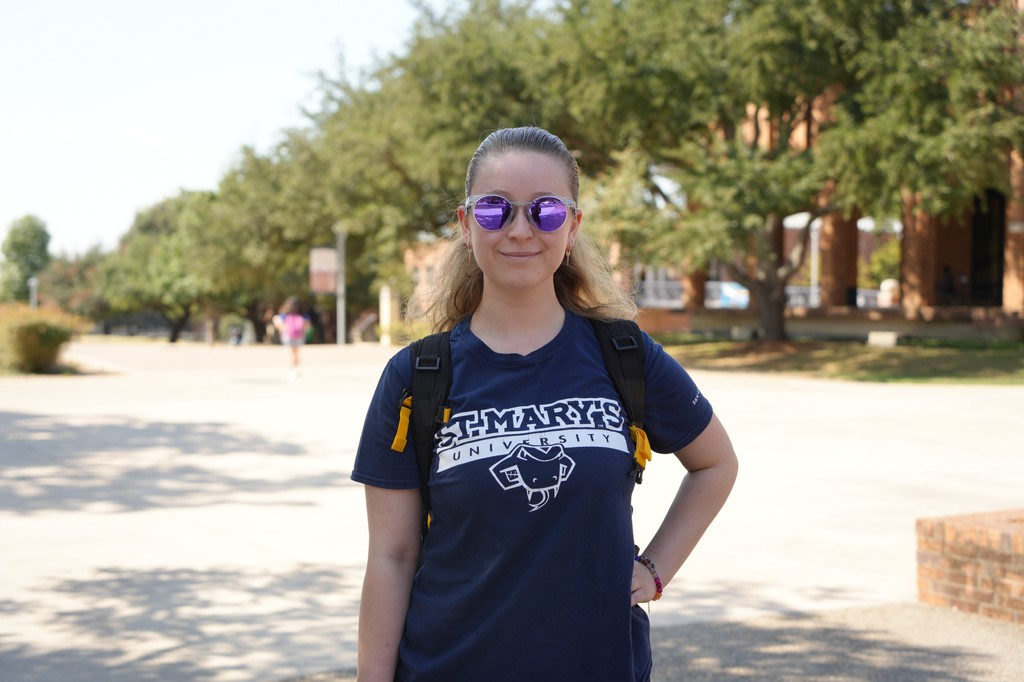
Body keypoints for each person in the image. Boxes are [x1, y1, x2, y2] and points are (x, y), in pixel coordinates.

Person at [351, 126, 739, 681]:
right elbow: (392, 557)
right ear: (466, 224)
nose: (519, 230)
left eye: (545, 211)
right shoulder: (417, 377)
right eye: (494, 210)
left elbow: (716, 464)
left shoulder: (623, 354)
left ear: (573, 226)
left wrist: (656, 569)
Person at [273, 296, 310, 379]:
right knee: (296, 352)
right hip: (299, 336)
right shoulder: (303, 314)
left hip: (289, 336)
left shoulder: (285, 314)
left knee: (293, 353)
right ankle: (298, 368)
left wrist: (283, 328)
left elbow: (279, 323)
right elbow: (307, 325)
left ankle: (293, 370)